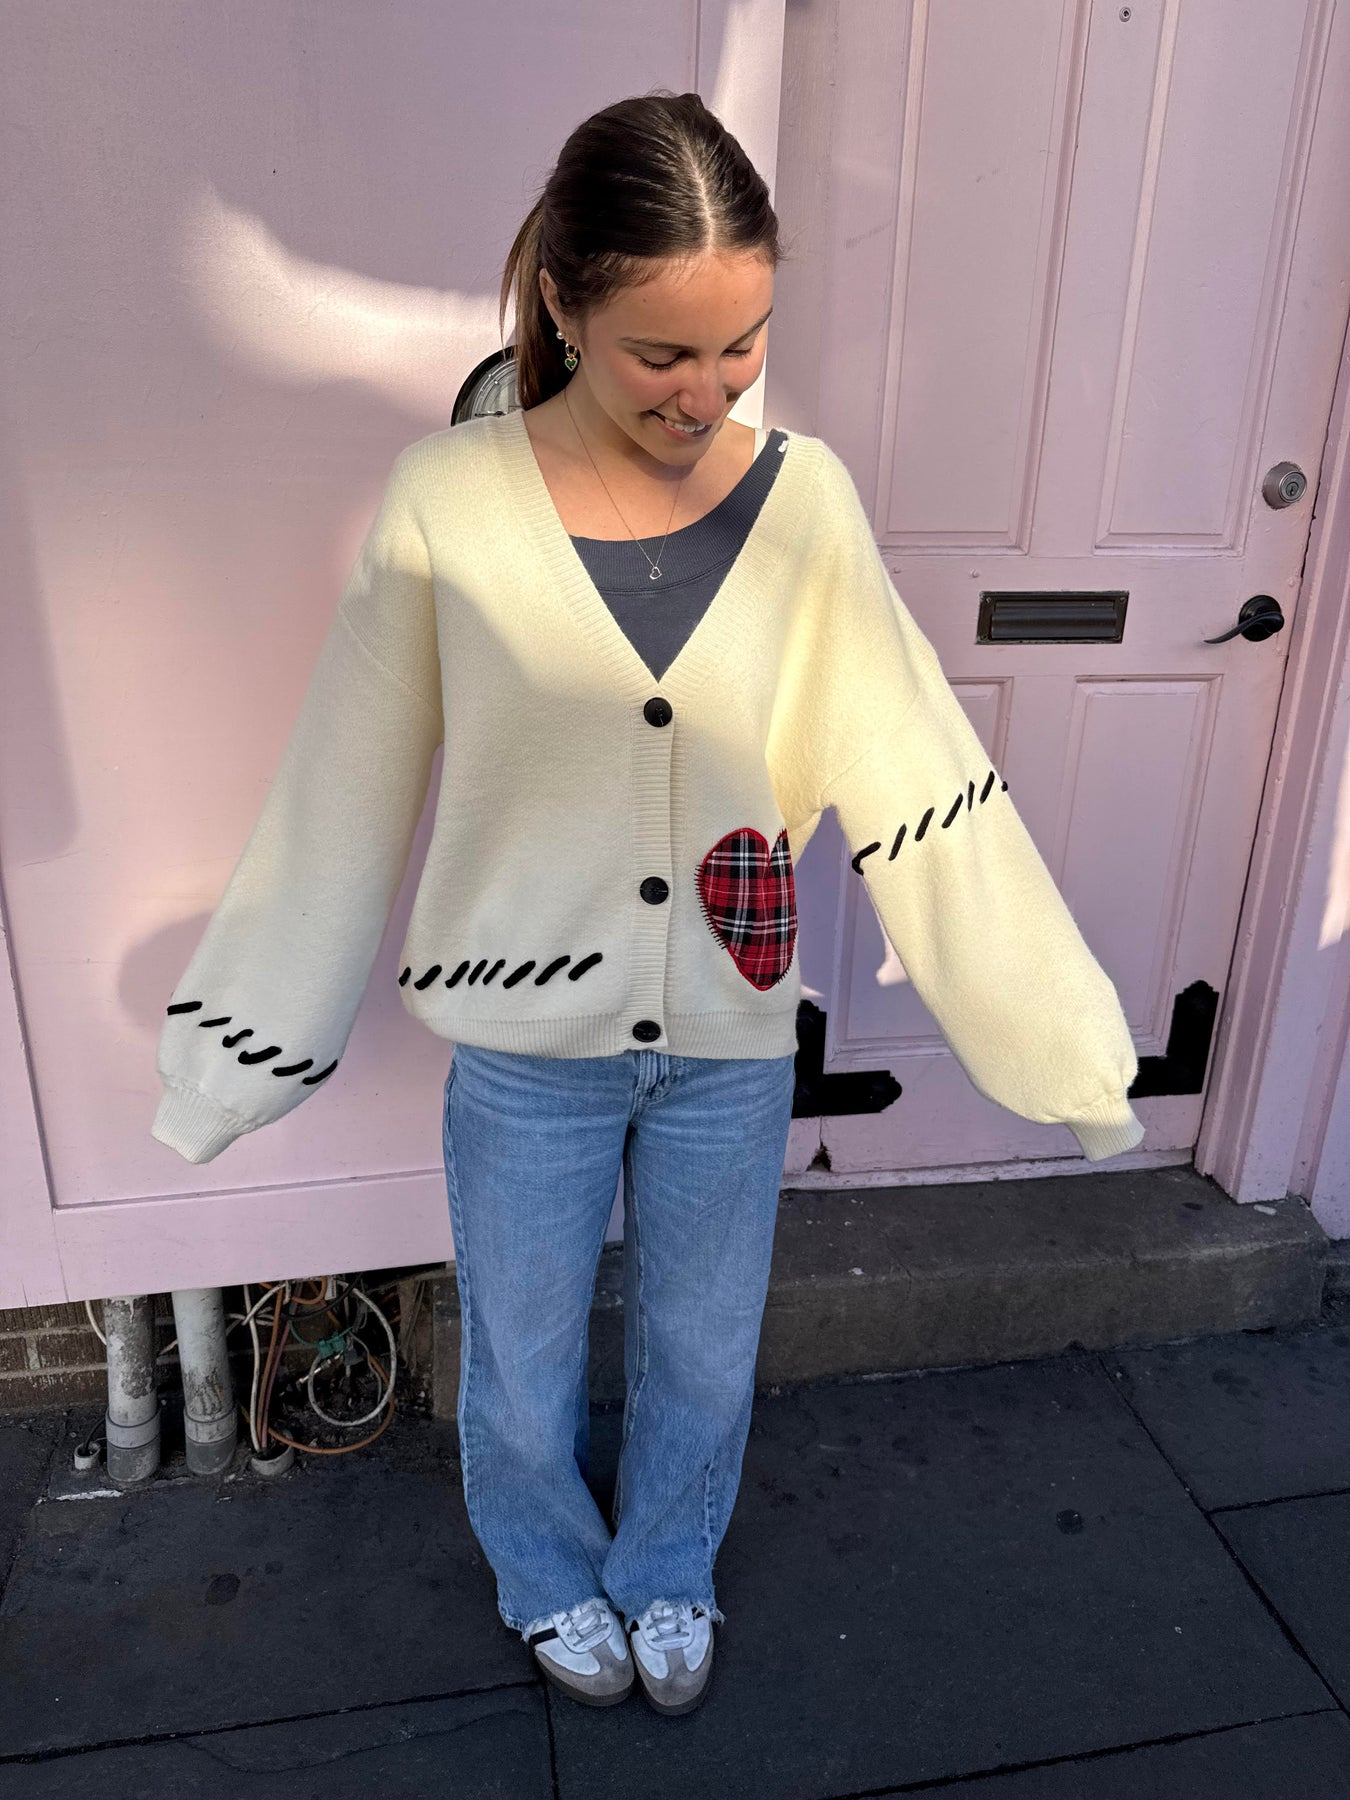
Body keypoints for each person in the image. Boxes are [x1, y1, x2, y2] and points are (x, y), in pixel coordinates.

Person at [151, 90, 1145, 1718]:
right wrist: (232, 1057)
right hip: (523, 1059)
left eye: (742, 344)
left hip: (727, 1045)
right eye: (661, 354)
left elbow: (919, 771)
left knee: (702, 1347)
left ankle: (670, 1563)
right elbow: (340, 785)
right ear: (563, 305)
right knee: (523, 1360)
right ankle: (545, 1572)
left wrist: (1060, 1047)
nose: (707, 390)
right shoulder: (447, 498)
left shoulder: (805, 504)